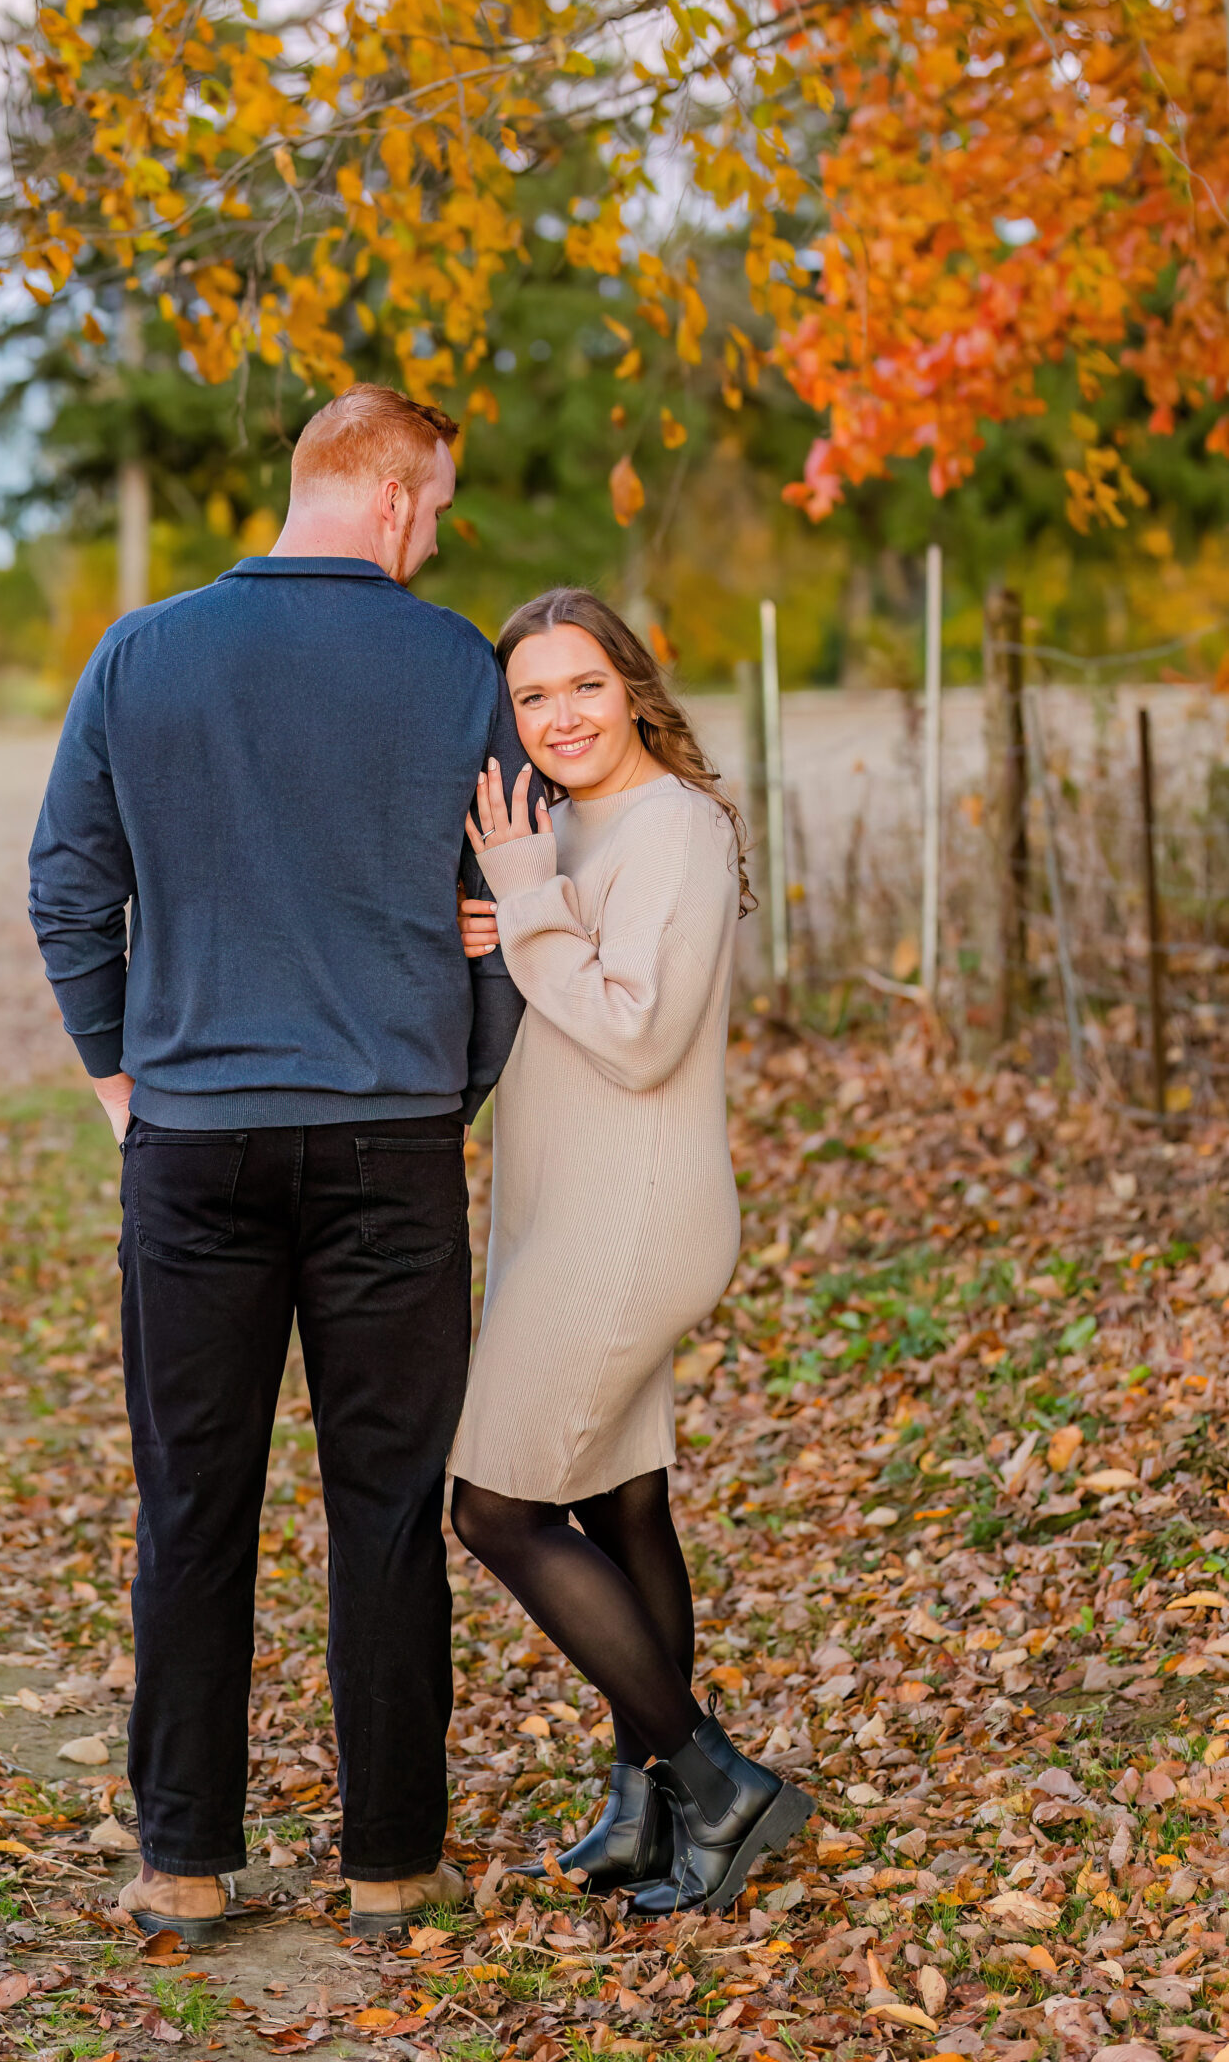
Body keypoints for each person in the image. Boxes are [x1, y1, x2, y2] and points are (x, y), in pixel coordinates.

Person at [27, 385, 524, 1941]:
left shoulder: (142, 654)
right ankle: (391, 1862)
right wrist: (455, 1081)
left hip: (193, 1144)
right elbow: (515, 898)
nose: (436, 537)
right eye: (437, 508)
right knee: (387, 1504)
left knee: (193, 1499)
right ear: (392, 497)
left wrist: (121, 1079)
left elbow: (66, 886)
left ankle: (184, 1858)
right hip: (390, 1139)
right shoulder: (455, 665)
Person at [452, 589, 813, 1913]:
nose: (561, 717)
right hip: (562, 1210)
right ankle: (642, 1807)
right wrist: (517, 920)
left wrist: (531, 912)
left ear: (635, 689)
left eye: (585, 686)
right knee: (621, 1502)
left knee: (494, 1508)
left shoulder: (674, 827)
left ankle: (717, 1784)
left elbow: (639, 1032)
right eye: (533, 696)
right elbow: (546, 963)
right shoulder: (559, 827)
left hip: (634, 1217)